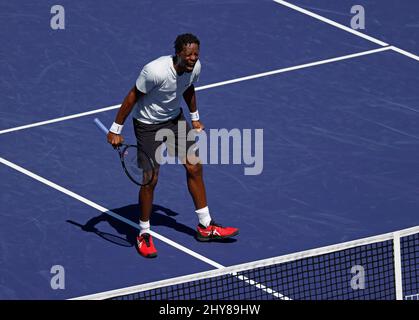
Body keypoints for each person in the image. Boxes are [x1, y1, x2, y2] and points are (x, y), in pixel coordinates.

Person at [107, 33, 239, 258]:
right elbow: (132, 96)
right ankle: (144, 233)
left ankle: (206, 226)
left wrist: (194, 117)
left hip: (174, 120)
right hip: (147, 124)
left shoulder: (194, 67)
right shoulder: (154, 71)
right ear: (178, 53)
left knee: (195, 167)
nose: (193, 58)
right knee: (150, 180)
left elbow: (187, 87)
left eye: (196, 54)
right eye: (189, 54)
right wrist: (115, 129)